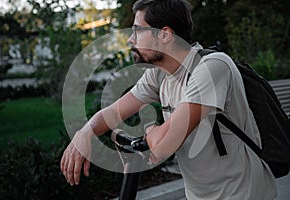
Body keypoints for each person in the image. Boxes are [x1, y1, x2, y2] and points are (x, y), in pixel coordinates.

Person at [60, 0, 277, 199]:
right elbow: (115, 112)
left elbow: (163, 146)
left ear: (164, 35)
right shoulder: (160, 73)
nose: (129, 39)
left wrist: (153, 132)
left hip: (243, 193)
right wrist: (85, 133)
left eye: (137, 30)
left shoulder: (213, 68)